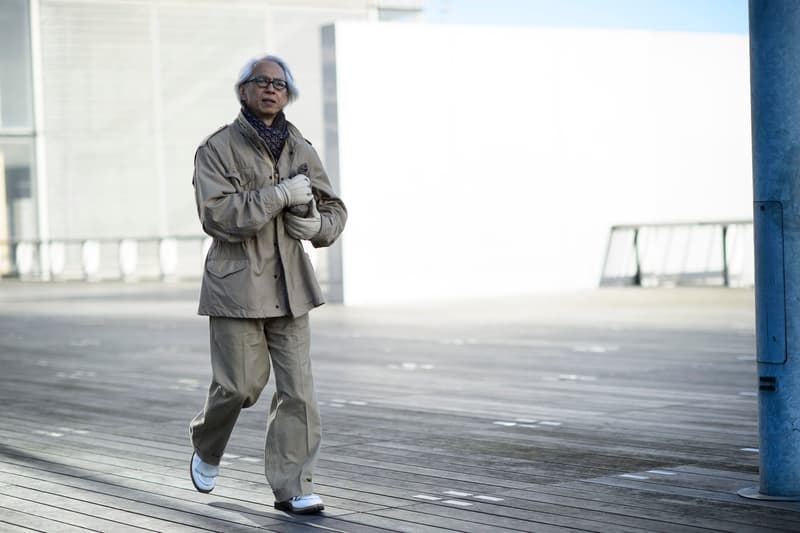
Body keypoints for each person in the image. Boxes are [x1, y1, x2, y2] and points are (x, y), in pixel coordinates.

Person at [188, 54, 346, 515]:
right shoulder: (215, 148)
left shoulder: (301, 147)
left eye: (280, 83)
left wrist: (316, 224)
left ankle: (293, 486)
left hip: (291, 288)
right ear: (243, 90)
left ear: (288, 93)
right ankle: (206, 443)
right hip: (237, 286)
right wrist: (278, 196)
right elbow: (216, 215)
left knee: (299, 392)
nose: (271, 88)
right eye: (261, 81)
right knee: (240, 386)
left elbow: (335, 209)